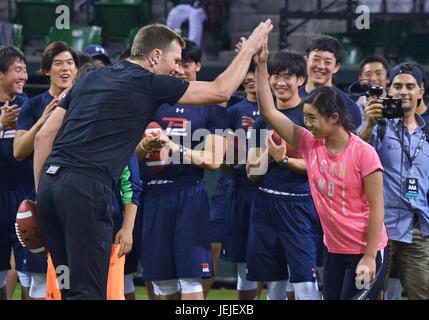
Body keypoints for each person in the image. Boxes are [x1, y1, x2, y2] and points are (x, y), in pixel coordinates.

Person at [33, 21, 273, 300]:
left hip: (50, 186)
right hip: (86, 190)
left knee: (68, 288)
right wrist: (251, 49)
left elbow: (44, 136)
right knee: (88, 293)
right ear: (156, 55)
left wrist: (42, 197)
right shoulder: (149, 82)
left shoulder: (90, 78)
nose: (176, 69)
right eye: (174, 60)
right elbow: (221, 90)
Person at [255, 38, 388, 300]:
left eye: (312, 118)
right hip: (334, 250)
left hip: (365, 250)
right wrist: (261, 65)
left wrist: (370, 257)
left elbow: (377, 208)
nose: (307, 124)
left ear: (334, 118)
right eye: (305, 118)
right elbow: (268, 111)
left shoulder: (364, 153)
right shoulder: (308, 142)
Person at [137, 39, 228, 300]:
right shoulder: (150, 102)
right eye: (175, 63)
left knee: (190, 280)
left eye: (185, 64)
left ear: (198, 66)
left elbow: (213, 160)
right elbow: (130, 155)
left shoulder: (213, 108)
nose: (178, 70)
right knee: (161, 282)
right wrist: (147, 147)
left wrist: (173, 148)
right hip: (152, 196)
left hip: (189, 195)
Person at [245, 51, 322, 300]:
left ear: (300, 80)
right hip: (265, 205)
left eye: (287, 76)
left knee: (304, 281)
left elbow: (320, 168)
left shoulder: (311, 117)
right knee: (274, 283)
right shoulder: (261, 123)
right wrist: (269, 154)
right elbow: (251, 173)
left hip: (300, 206)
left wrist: (285, 160)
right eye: (275, 76)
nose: (280, 82)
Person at [13, 41, 78, 300]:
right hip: (42, 198)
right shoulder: (34, 105)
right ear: (45, 70)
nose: (65, 69)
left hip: (76, 199)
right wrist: (43, 120)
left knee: (75, 279)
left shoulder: (86, 102)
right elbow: (18, 151)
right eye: (58, 63)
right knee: (39, 279)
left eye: (70, 63)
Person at [359, 62, 429, 300]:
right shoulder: (378, 126)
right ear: (389, 90)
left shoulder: (427, 134)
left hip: (418, 228)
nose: (403, 91)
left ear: (421, 90)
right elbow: (352, 156)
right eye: (397, 86)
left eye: (410, 86)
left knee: (423, 293)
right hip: (380, 228)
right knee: (370, 294)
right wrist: (368, 123)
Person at [218, 61, 261, 300]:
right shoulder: (233, 112)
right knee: (244, 264)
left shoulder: (276, 108)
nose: (250, 76)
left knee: (275, 262)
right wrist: (233, 154)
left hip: (271, 193)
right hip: (241, 191)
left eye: (256, 71)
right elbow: (225, 167)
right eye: (247, 71)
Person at [0, 45, 28, 300]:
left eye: (25, 70)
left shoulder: (28, 106)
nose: (24, 76)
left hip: (24, 197)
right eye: (18, 70)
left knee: (30, 271)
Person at [299, 35, 362, 129]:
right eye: (316, 59)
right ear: (306, 60)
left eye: (327, 62)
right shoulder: (290, 98)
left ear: (336, 67)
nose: (321, 66)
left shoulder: (349, 107)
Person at [355, 55, 389, 121]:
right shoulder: (354, 108)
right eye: (368, 74)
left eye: (378, 73)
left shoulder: (398, 104)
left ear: (387, 78)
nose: (373, 79)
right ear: (360, 79)